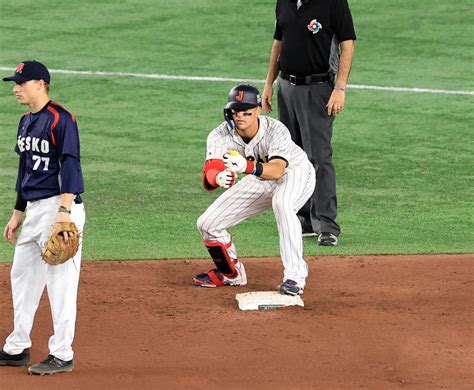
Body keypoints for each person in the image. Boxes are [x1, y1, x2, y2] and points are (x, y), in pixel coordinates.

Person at [0, 60, 86, 375]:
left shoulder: (61, 120)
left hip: (59, 208)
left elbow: (71, 166)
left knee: (60, 284)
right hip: (34, 209)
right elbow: (25, 170)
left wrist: (65, 213)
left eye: (21, 83)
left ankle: (62, 354)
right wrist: (17, 212)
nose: (15, 88)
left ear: (40, 84)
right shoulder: (25, 121)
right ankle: (17, 347)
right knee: (22, 277)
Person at [194, 84, 316, 296]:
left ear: (258, 110)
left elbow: (277, 170)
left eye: (247, 112)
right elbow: (209, 174)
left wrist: (247, 167)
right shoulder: (220, 134)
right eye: (236, 112)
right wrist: (218, 177)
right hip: (258, 177)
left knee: (283, 204)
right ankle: (231, 274)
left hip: (295, 173)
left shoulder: (276, 130)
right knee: (207, 224)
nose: (240, 117)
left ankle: (295, 277)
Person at [261, 0, 356, 246]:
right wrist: (268, 84)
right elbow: (278, 43)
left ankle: (326, 225)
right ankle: (303, 218)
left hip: (318, 89)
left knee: (319, 156)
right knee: (292, 155)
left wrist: (340, 88)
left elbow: (347, 45)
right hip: (286, 88)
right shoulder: (285, 2)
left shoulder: (333, 3)